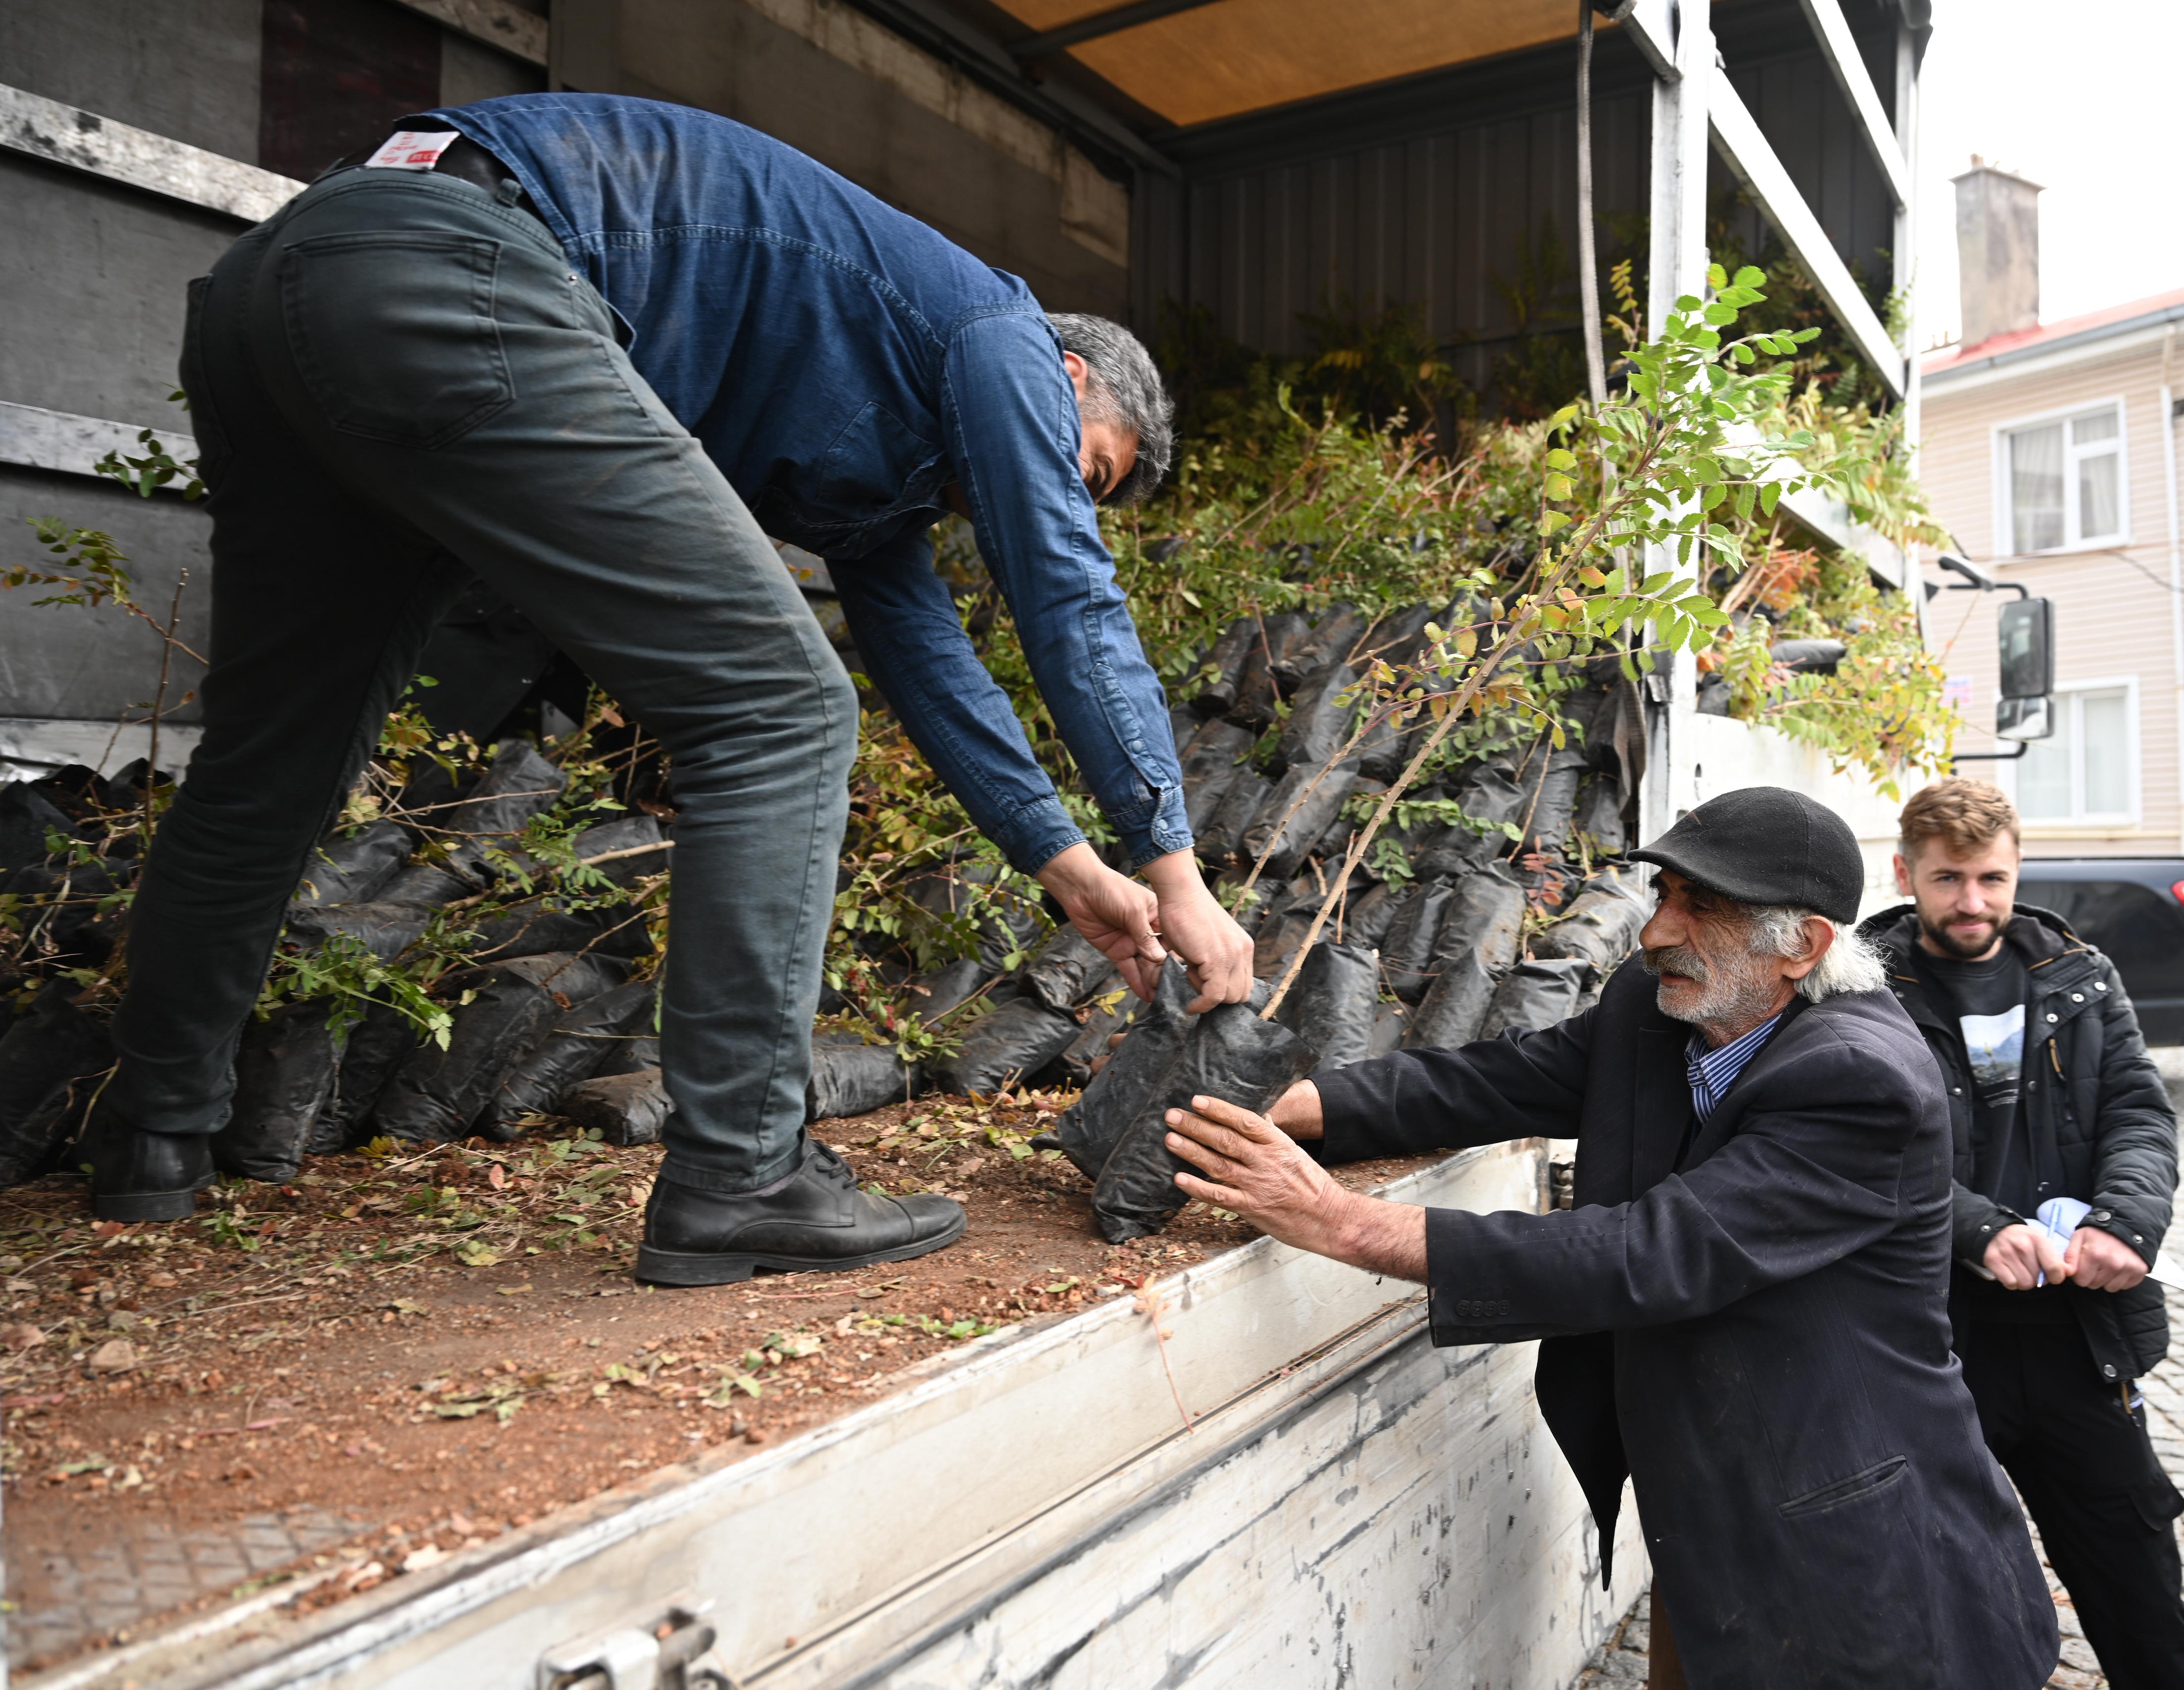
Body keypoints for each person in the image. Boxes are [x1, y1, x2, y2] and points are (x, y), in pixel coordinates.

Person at [84, 95, 1254, 1285]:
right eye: (1081, 465)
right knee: (783, 709)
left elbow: (932, 663)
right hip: (458, 262)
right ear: (1065, 375)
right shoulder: (998, 334)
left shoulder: (888, 467)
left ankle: (155, 1136)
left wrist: (1072, 870)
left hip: (285, 287)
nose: (1050, 491)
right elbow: (1069, 597)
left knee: (274, 759)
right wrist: (1176, 869)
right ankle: (741, 1175)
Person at [1163, 786, 2058, 1690]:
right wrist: (1278, 1106)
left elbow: (1646, 1253)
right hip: (1710, 1508)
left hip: (1848, 1539)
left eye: (1698, 908)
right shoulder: (1664, 1008)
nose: (1654, 932)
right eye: (1665, 894)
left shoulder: (1861, 1080)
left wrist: (1341, 1221)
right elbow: (1499, 1080)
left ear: (1803, 946)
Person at [1858, 778, 2184, 1689]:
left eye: (1991, 878)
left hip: (2073, 1335)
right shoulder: (1856, 991)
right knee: (1925, 1594)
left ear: (2016, 871)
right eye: (1947, 880)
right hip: (1922, 1338)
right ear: (1905, 872)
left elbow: (2139, 1112)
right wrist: (1975, 1229)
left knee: (2136, 1576)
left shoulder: (2080, 976)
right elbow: (1853, 1148)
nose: (1972, 901)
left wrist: (2127, 1222)